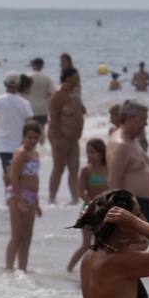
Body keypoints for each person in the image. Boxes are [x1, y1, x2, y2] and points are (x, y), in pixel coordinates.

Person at [107, 101, 149, 221]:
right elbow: (113, 181)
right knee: (135, 240)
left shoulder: (133, 140)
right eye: (143, 119)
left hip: (140, 204)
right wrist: (118, 213)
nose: (146, 124)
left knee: (143, 240)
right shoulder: (121, 145)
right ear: (130, 118)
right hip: (129, 207)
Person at [4, 121, 44, 272]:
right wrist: (20, 201)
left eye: (35, 137)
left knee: (28, 236)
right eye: (29, 137)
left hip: (32, 196)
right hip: (17, 195)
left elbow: (34, 177)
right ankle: (8, 269)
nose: (32, 141)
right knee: (18, 235)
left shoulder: (35, 153)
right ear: (23, 136)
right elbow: (13, 178)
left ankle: (22, 270)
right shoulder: (20, 153)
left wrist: (37, 203)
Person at [67, 138, 110, 272]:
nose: (90, 155)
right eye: (88, 152)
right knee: (86, 245)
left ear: (101, 153)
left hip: (105, 211)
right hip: (89, 210)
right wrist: (93, 204)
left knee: (101, 245)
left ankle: (95, 272)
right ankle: (69, 270)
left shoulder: (109, 168)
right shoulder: (86, 170)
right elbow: (81, 193)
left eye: (93, 152)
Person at [47, 67, 86, 204]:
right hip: (61, 137)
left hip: (74, 138)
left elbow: (81, 110)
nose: (78, 80)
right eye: (76, 77)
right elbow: (53, 118)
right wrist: (58, 139)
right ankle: (52, 198)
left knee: (74, 168)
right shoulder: (58, 96)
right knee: (59, 167)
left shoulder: (75, 93)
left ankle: (75, 199)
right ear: (68, 78)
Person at [0, 75, 33, 183]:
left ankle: (9, 196)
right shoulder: (25, 103)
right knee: (19, 174)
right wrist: (32, 144)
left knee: (7, 173)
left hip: (4, 145)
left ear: (5, 84)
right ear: (19, 85)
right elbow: (31, 126)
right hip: (21, 145)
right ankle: (14, 197)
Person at [25, 58, 54, 128]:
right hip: (42, 109)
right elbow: (51, 94)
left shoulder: (27, 77)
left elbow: (22, 93)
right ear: (42, 66)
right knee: (40, 131)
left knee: (28, 132)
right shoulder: (47, 78)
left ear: (33, 65)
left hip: (29, 108)